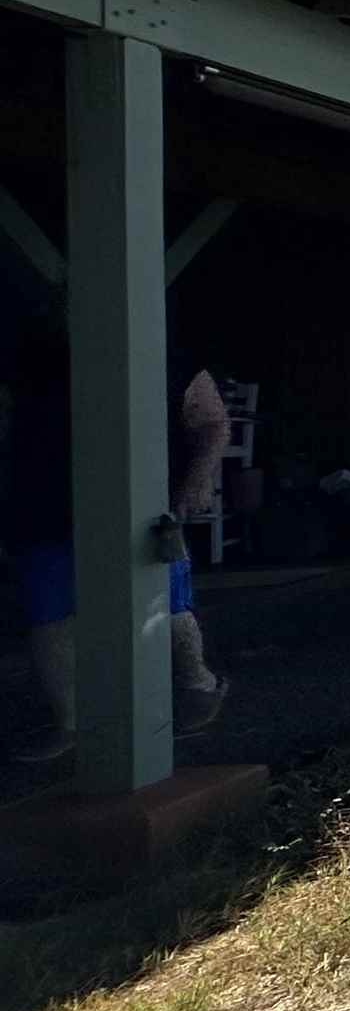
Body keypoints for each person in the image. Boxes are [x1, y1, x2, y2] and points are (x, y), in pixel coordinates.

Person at [3, 321, 228, 760]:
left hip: (142, 500)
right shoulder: (29, 353)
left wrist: (197, 480)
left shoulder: (165, 349)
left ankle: (198, 685)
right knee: (49, 612)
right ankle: (71, 721)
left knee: (168, 604)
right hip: (42, 501)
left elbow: (212, 423)